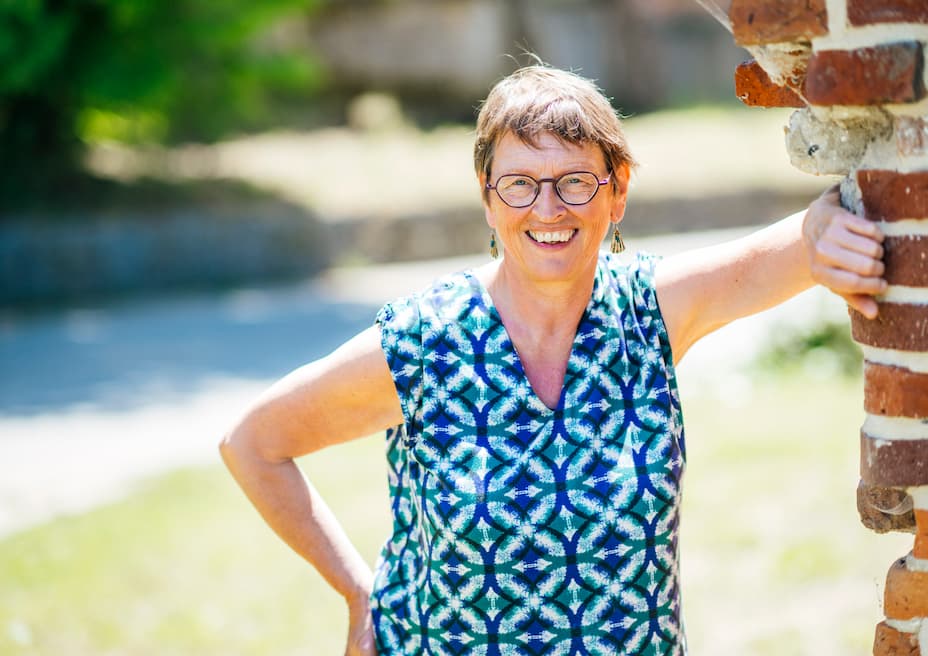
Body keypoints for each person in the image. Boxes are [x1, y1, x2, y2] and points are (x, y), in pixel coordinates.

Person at [219, 64, 886, 655]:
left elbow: (800, 242)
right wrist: (357, 593)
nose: (547, 208)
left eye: (573, 182)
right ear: (487, 197)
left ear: (617, 190)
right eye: (518, 185)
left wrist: (825, 227)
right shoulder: (423, 343)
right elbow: (253, 442)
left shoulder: (648, 312)